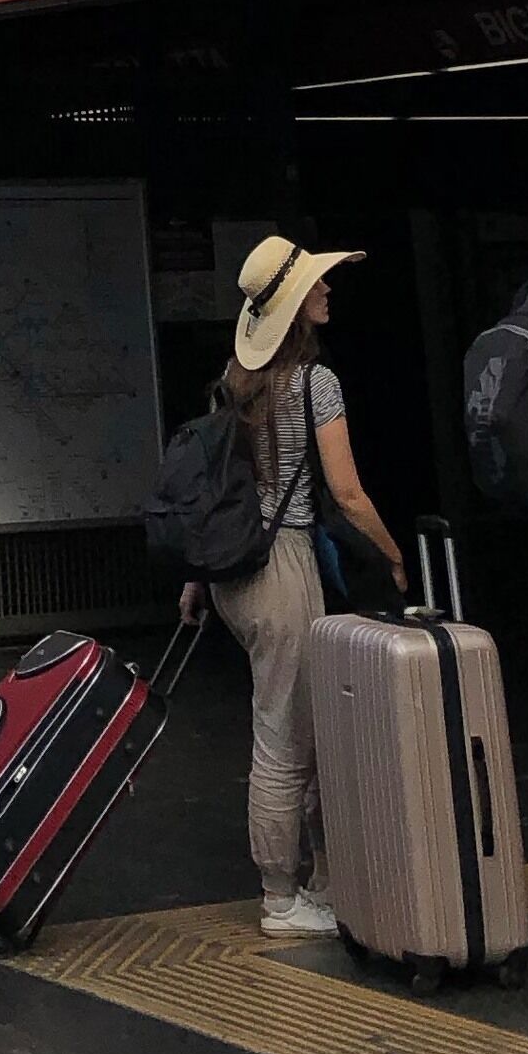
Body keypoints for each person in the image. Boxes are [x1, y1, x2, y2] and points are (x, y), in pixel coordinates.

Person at [179, 235, 410, 943]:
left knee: (294, 726)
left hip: (233, 576)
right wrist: (395, 557)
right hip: (282, 570)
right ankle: (282, 898)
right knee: (284, 738)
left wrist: (196, 577)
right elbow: (347, 492)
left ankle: (322, 877)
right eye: (318, 284)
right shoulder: (317, 384)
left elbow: (218, 489)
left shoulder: (235, 379)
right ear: (296, 308)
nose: (329, 289)